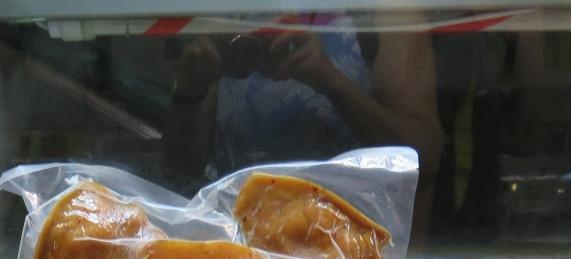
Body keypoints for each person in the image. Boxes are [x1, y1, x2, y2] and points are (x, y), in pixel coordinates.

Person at [163, 16, 444, 231]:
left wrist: (332, 82)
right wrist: (190, 91)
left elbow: (424, 160)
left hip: (347, 255)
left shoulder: (381, 12)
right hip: (242, 253)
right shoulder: (223, 12)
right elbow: (179, 170)